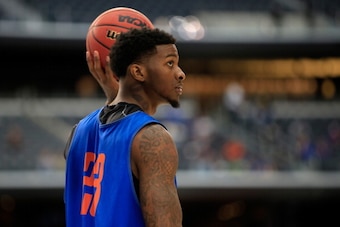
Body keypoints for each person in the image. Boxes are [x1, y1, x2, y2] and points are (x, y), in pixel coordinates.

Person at [64, 27, 185, 227]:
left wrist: (117, 91)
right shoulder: (152, 138)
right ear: (138, 72)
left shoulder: (77, 133)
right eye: (169, 63)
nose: (180, 74)